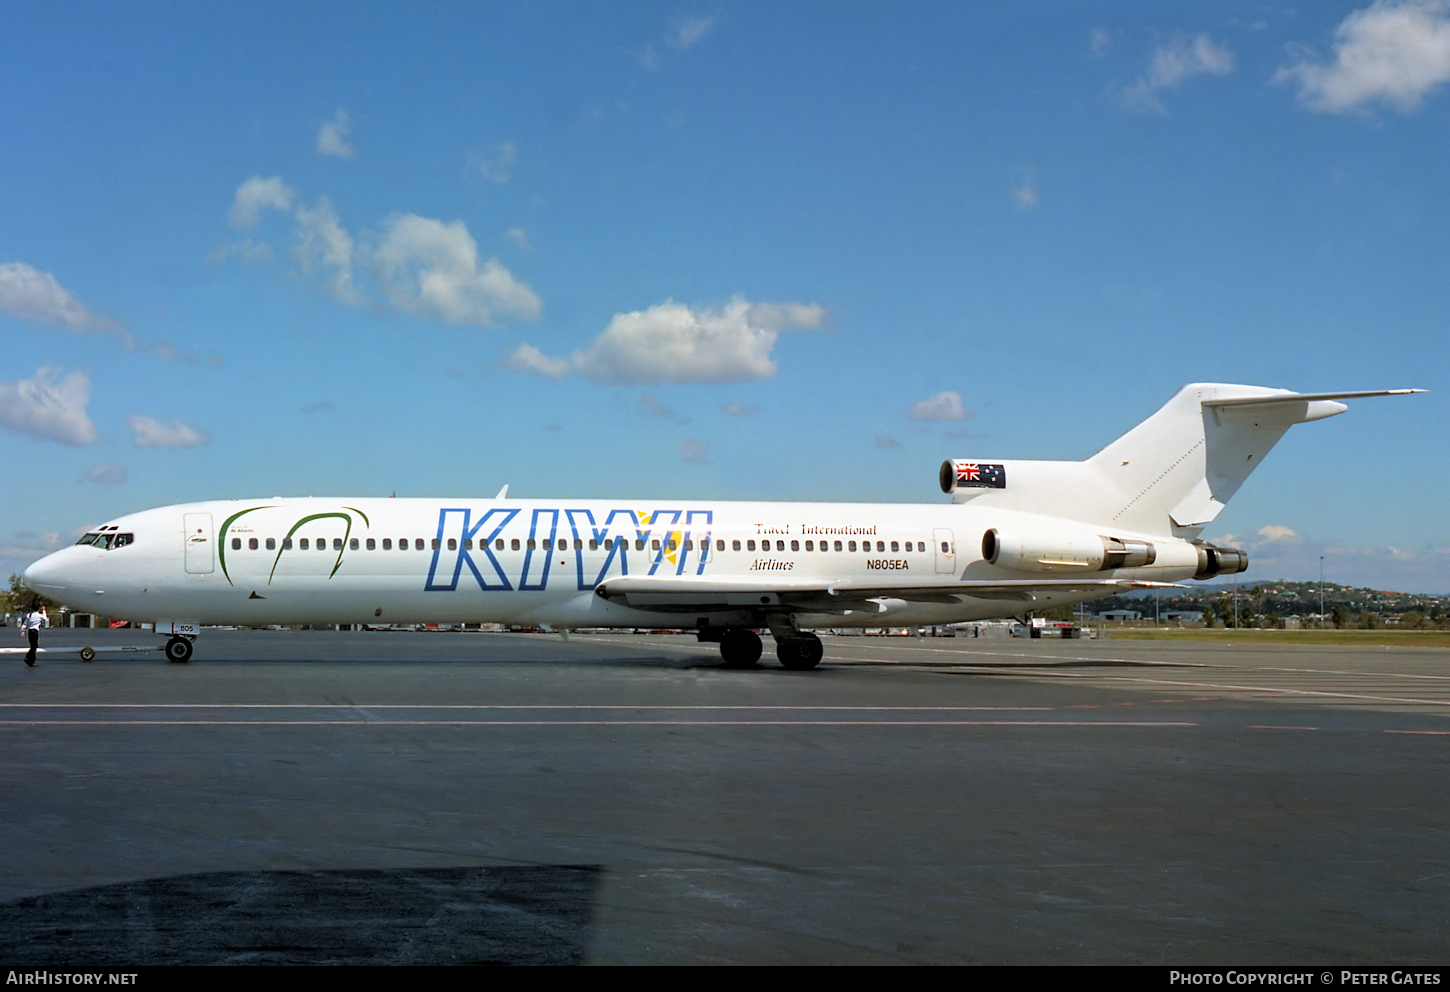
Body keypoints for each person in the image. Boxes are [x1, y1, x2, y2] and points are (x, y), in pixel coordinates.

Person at [21, 603, 47, 667]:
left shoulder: (29, 615)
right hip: (35, 631)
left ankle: (31, 660)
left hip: (30, 631)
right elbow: (45, 618)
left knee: (32, 646)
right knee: (34, 646)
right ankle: (29, 658)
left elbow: (25, 623)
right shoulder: (39, 615)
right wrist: (44, 611)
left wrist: (23, 631)